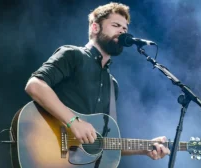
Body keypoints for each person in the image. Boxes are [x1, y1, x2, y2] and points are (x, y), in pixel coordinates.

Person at [25, 2, 170, 161]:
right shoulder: (73, 55)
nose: (122, 31)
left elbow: (102, 144)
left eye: (125, 29)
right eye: (116, 25)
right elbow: (35, 85)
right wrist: (73, 121)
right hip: (47, 152)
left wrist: (146, 148)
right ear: (95, 28)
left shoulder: (112, 85)